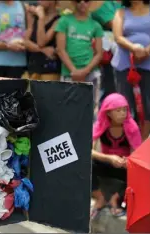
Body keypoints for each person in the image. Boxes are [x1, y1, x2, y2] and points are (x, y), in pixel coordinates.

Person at [91, 93, 142, 219]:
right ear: (108, 113)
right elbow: (87, 150)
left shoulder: (132, 127)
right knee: (83, 161)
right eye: (118, 110)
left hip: (124, 166)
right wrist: (109, 158)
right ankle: (100, 197)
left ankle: (116, 199)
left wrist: (128, 160)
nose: (123, 113)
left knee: (140, 171)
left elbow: (139, 154)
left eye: (125, 109)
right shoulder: (100, 125)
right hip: (106, 163)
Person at [55, 0, 104, 112]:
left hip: (91, 73)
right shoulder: (64, 21)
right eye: (78, 0)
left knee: (91, 111)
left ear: (90, 3)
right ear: (73, 3)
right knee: (67, 110)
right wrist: (74, 71)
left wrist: (85, 71)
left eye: (86, 0)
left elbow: (99, 53)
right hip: (69, 73)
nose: (82, 3)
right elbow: (60, 49)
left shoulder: (96, 25)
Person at [112, 0, 150, 141]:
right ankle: (130, 142)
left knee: (149, 106)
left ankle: (145, 143)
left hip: (148, 64)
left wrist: (146, 51)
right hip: (124, 64)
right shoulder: (121, 12)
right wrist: (134, 48)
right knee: (125, 106)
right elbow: (117, 36)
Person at [0, 0, 30, 78]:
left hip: (21, 63)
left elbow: (31, 31)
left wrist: (23, 43)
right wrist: (8, 46)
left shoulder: (25, 8)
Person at [23, 0, 61, 81]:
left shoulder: (59, 20)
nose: (38, 1)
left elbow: (41, 42)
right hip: (31, 68)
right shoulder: (34, 17)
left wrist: (41, 18)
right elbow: (25, 42)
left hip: (49, 71)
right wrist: (43, 50)